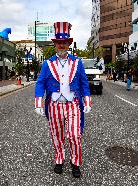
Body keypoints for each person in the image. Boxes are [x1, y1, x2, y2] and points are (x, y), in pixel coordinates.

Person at [34, 22, 91, 178]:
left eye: (64, 42)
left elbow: (84, 83)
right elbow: (40, 83)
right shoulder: (47, 63)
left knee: (74, 135)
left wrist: (87, 100)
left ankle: (75, 162)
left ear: (68, 44)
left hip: (73, 104)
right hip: (54, 105)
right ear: (55, 44)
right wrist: (38, 102)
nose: (61, 45)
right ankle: (59, 159)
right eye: (59, 42)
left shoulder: (77, 63)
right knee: (56, 135)